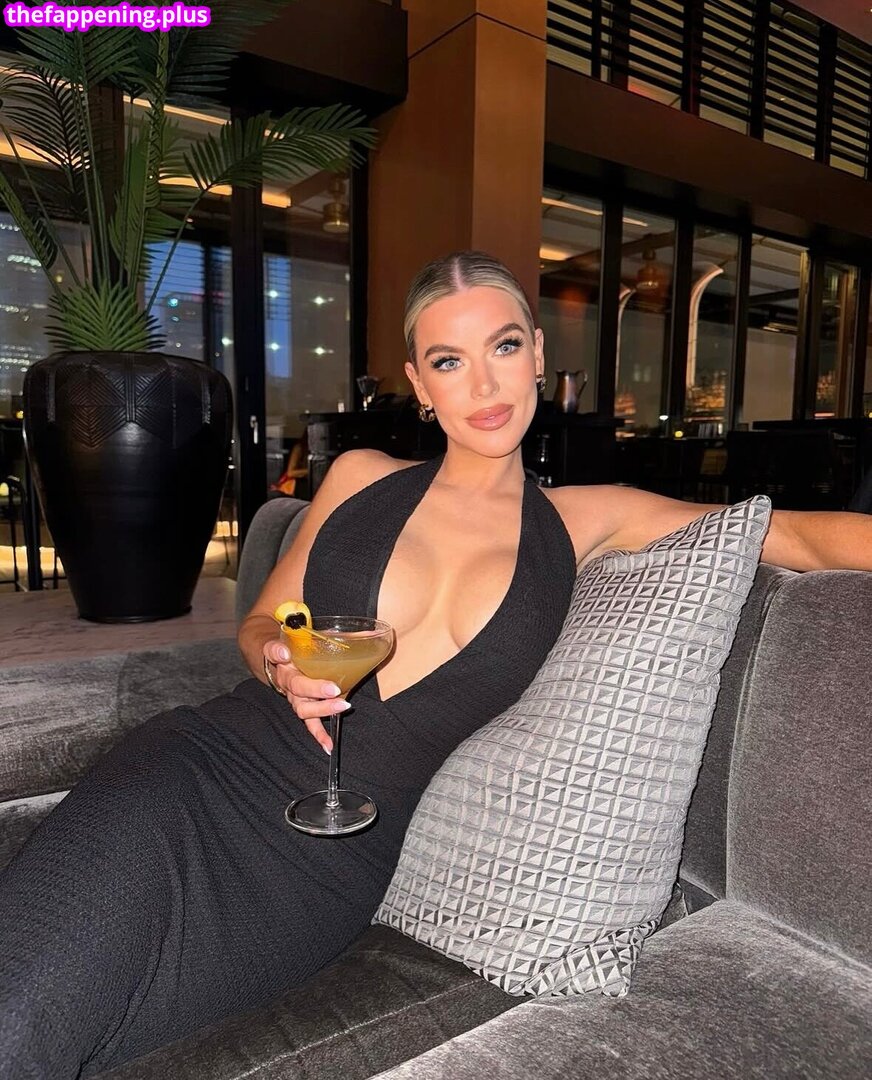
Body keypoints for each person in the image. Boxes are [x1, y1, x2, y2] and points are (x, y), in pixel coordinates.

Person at [1, 251, 870, 1079]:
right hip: (197, 775)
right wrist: (278, 661)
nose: (483, 385)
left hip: (330, 870)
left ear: (539, 356)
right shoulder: (359, 477)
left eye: (503, 347)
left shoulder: (589, 517)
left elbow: (796, 536)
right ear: (419, 384)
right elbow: (267, 618)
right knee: (20, 1018)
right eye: (450, 361)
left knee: (104, 1042)